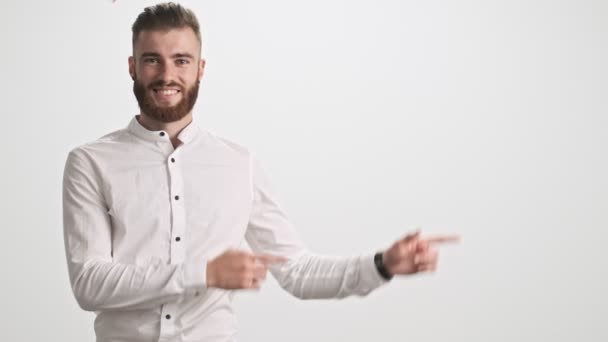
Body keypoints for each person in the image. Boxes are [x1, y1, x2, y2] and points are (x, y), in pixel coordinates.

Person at [62, 2, 459, 341]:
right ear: (133, 66)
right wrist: (205, 272)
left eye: (181, 60)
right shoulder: (91, 162)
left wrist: (381, 265)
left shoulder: (239, 164)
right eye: (153, 60)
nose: (168, 75)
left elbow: (297, 272)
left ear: (200, 68)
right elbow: (90, 284)